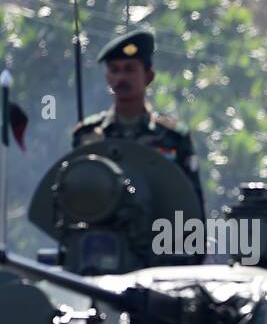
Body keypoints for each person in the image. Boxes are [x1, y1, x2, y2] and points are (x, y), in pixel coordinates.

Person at [72, 29, 203, 208]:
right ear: (107, 77)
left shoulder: (173, 137)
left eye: (129, 69)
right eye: (114, 70)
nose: (121, 78)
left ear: (149, 76)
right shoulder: (86, 135)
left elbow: (191, 202)